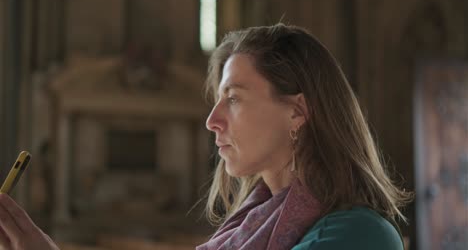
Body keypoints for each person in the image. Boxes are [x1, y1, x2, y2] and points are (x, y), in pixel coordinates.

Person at [0, 24, 412, 250]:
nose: (212, 120)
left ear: (297, 111)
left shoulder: (358, 236)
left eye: (232, 98)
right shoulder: (247, 229)